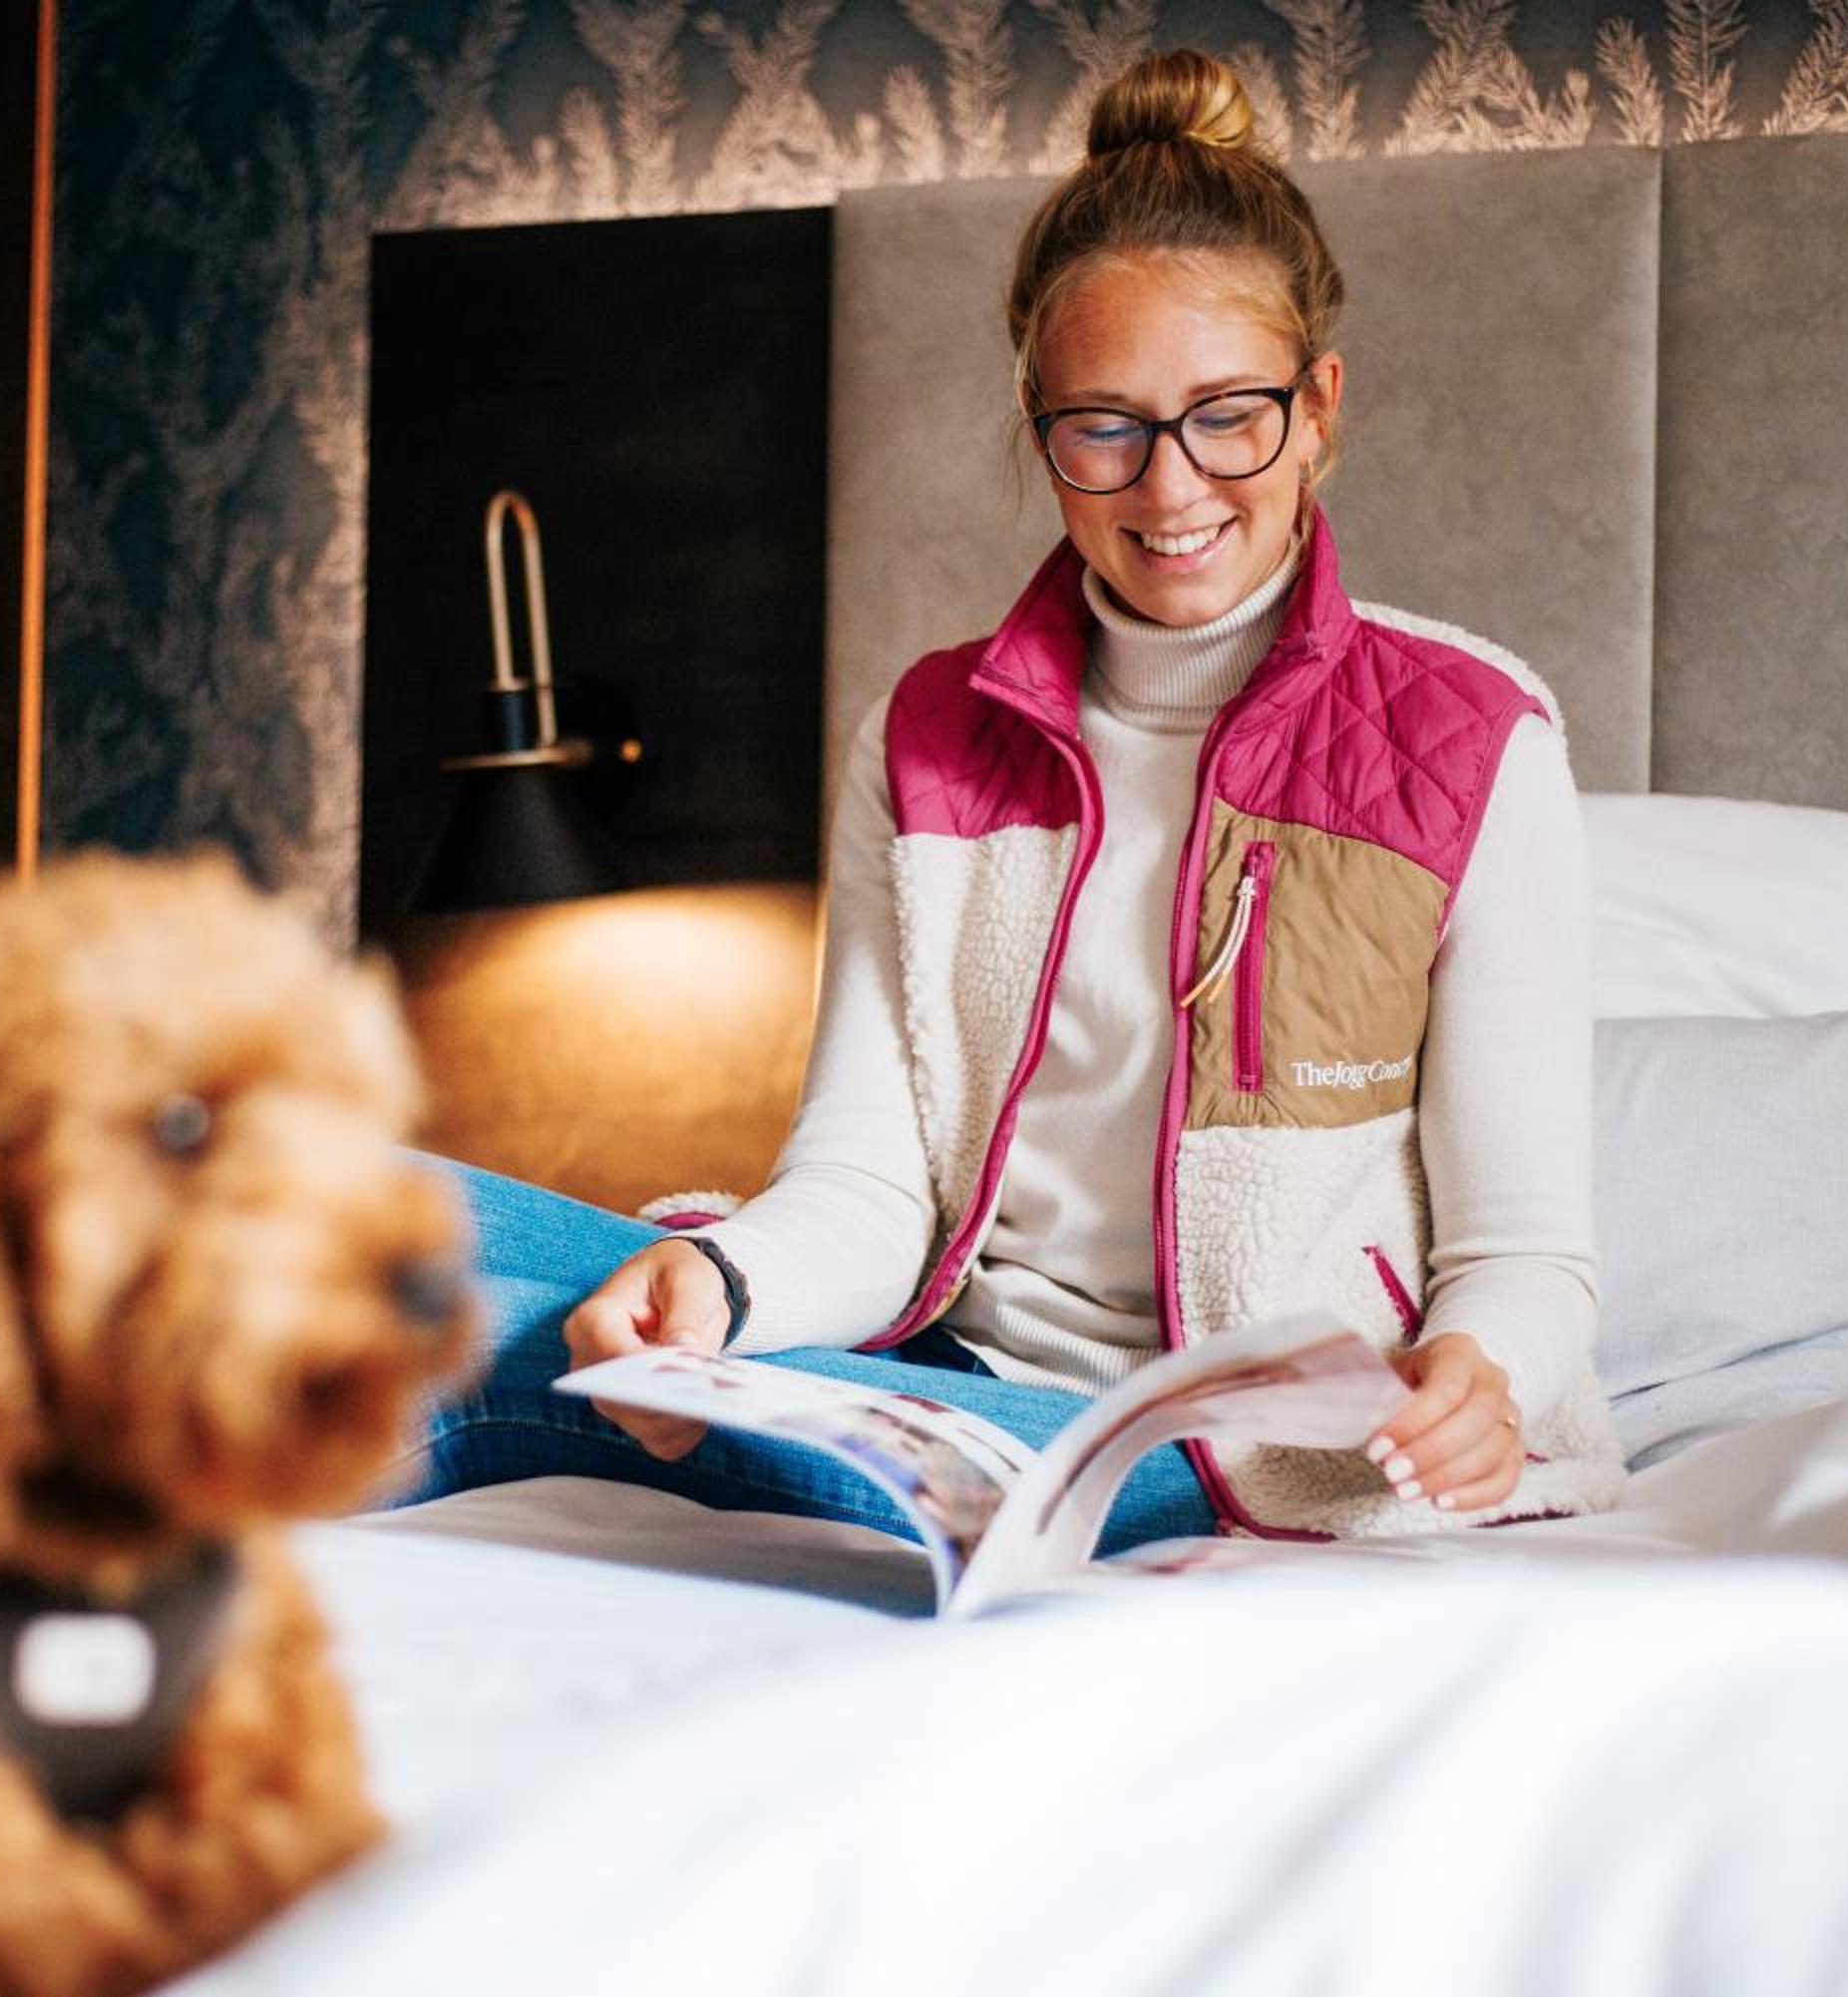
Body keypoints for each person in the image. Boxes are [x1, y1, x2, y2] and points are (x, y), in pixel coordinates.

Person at [397, 48, 1625, 1550]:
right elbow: (868, 1183)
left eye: (1227, 414)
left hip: (1249, 1439)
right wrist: (724, 1286)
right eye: (1104, 425)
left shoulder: (1472, 738)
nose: (1169, 488)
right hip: (947, 1371)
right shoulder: (927, 736)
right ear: (1038, 422)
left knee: (463, 1347)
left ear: (1317, 408)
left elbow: (1524, 1253)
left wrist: (1484, 1372)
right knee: (351, 1209)